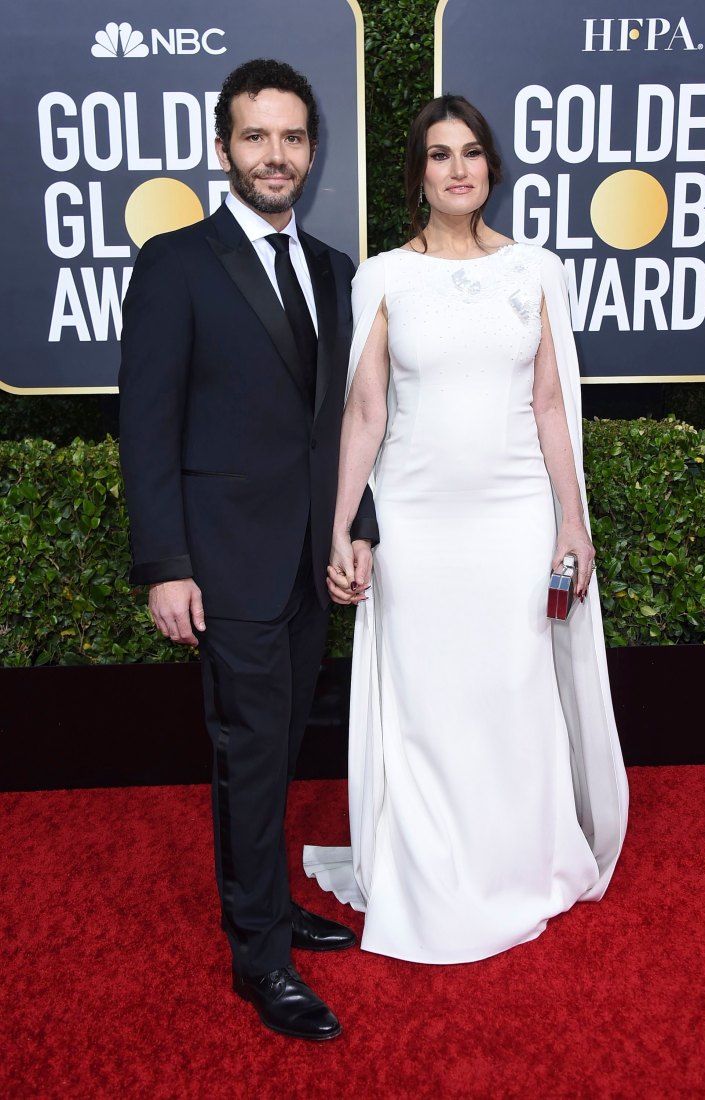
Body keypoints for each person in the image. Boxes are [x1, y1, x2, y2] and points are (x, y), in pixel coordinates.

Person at [303, 96, 629, 963]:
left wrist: (573, 523)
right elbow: (364, 411)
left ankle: (518, 860)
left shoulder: (536, 269)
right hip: (414, 520)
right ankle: (429, 873)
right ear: (416, 175)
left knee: (512, 695)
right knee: (425, 699)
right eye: (440, 155)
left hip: (515, 517)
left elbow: (553, 404)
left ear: (490, 168)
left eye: (472, 153)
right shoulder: (382, 277)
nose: (458, 169)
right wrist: (341, 525)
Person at [118, 59, 377, 1039]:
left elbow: (349, 423)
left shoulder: (333, 273)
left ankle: (269, 907)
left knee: (276, 747)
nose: (277, 155)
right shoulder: (176, 262)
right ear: (223, 148)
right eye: (256, 136)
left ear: (311, 151)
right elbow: (146, 424)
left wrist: (358, 528)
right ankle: (258, 954)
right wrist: (163, 561)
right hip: (222, 561)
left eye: (293, 137)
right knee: (250, 754)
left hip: (310, 561)